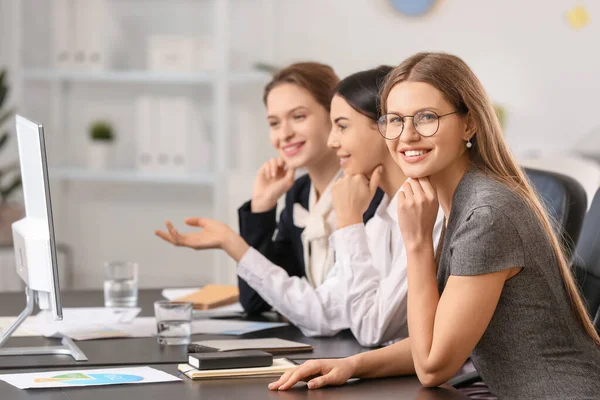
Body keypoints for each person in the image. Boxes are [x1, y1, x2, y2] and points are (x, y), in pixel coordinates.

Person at [269, 52, 600, 399]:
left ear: (469, 124)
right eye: (394, 120)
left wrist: (418, 242)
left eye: (426, 117)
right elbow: (438, 337)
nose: (407, 135)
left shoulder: (486, 215)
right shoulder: (463, 199)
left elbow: (432, 366)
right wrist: (353, 365)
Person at [154, 63, 383, 337]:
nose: (284, 133)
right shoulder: (299, 194)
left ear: (333, 116)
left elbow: (342, 310)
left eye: (298, 117)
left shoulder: (371, 192)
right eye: (274, 123)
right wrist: (262, 209)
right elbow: (256, 302)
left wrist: (232, 243)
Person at [326, 66, 443, 346]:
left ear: (384, 127)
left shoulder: (432, 211)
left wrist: (349, 221)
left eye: (342, 126)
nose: (331, 141)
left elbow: (371, 328)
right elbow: (328, 309)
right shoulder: (382, 216)